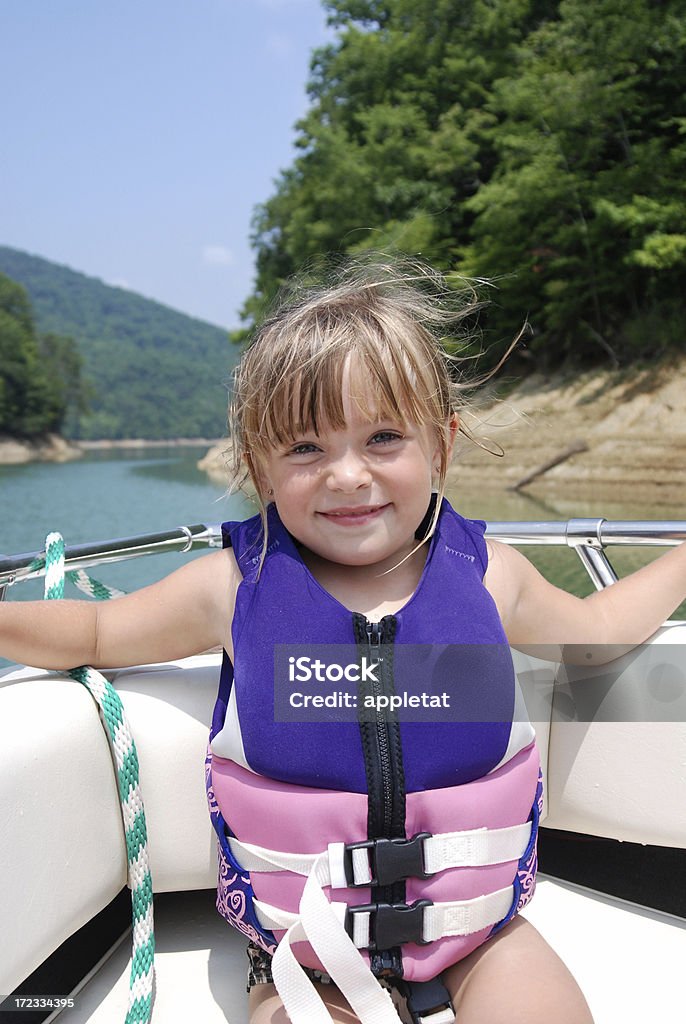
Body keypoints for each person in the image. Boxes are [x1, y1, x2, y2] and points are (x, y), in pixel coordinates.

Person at [2, 258, 686, 1024]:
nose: (347, 475)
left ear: (442, 447)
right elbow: (96, 628)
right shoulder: (232, 589)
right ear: (260, 468)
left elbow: (596, 632)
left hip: (478, 931)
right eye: (304, 449)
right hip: (304, 943)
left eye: (383, 437)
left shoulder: (490, 578)